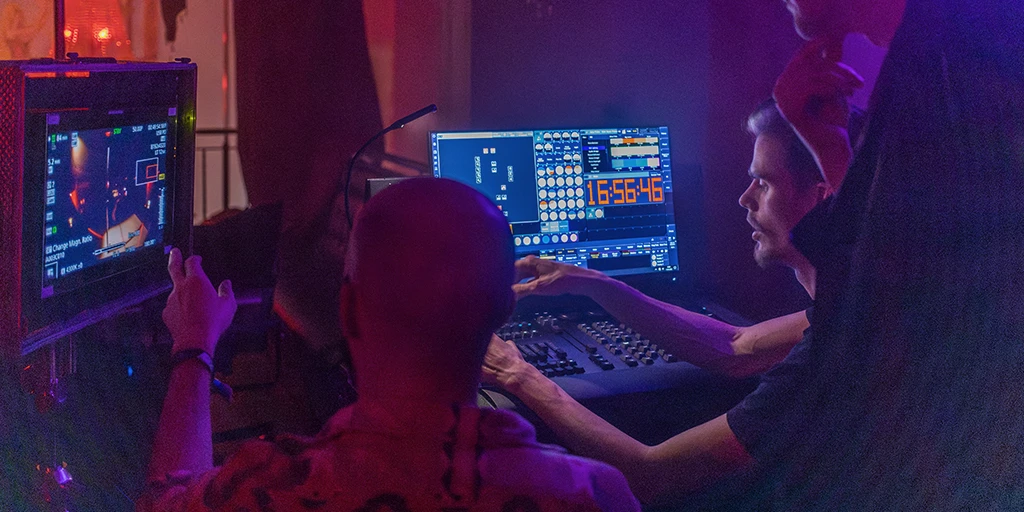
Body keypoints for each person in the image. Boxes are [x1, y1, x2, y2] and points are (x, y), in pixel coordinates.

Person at [141, 178, 640, 511]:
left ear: (348, 309)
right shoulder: (596, 495)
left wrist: (193, 348)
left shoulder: (269, 489)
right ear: (503, 312)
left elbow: (167, 496)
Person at [483, 100, 861, 506]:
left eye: (763, 184)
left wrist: (517, 374)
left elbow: (650, 475)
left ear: (821, 200)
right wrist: (593, 283)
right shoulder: (855, 307)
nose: (744, 199)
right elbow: (737, 346)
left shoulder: (828, 356)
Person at [758, 0, 1024, 508]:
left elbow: (899, 322)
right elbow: (886, 273)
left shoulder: (970, 52)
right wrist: (826, 143)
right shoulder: (935, 50)